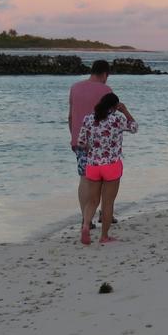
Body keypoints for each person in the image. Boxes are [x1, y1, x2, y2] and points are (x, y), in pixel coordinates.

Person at [69, 60, 133, 224]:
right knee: (107, 180)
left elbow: (70, 116)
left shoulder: (75, 88)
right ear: (105, 74)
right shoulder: (105, 90)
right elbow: (110, 116)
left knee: (84, 178)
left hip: (80, 141)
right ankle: (106, 215)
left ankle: (86, 219)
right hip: (102, 144)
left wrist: (74, 137)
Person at [76, 93, 134, 245]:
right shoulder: (118, 119)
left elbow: (80, 142)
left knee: (92, 200)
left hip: (93, 165)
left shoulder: (88, 119)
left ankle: (86, 226)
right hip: (111, 165)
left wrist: (92, 148)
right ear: (115, 106)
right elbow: (134, 128)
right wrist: (125, 111)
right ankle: (104, 237)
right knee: (108, 203)